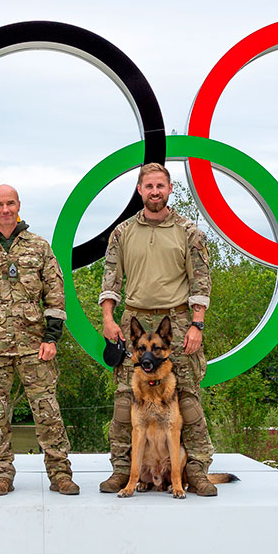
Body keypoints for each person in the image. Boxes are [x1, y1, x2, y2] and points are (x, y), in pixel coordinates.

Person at [97, 163, 217, 496]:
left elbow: (201, 278)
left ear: (169, 189)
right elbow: (111, 279)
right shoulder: (122, 233)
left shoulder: (189, 231)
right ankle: (123, 470)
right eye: (148, 186)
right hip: (133, 320)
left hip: (176, 321)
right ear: (139, 190)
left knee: (188, 400)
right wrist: (108, 317)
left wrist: (197, 323)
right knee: (126, 400)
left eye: (160, 186)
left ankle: (196, 471)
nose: (154, 192)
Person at [0, 185, 77, 496]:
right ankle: (1, 473)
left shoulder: (38, 247)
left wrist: (52, 337)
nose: (5, 209)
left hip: (36, 346)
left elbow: (56, 292)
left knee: (47, 411)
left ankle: (60, 472)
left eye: (10, 203)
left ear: (18, 205)